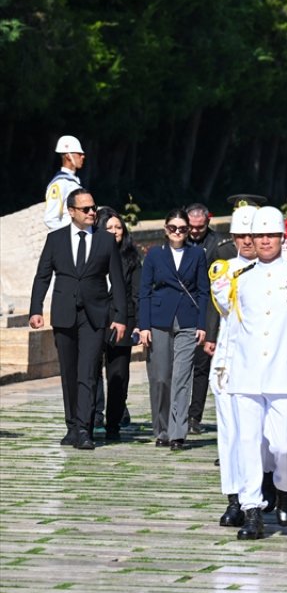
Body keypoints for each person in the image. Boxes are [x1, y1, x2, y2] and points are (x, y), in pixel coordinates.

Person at [224, 206, 287, 540]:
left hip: (285, 375)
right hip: (247, 375)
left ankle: (285, 487)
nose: (265, 241)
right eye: (260, 235)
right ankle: (252, 510)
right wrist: (226, 366)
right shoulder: (241, 279)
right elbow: (234, 330)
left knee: (284, 446)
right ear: (252, 239)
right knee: (248, 446)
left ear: (283, 238)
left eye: (271, 235)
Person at [137, 209, 210, 451]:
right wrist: (144, 326)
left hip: (188, 320)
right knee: (160, 378)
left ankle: (178, 433)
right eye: (173, 228)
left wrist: (202, 325)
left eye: (182, 229)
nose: (177, 233)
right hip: (159, 320)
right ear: (165, 229)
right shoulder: (154, 255)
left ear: (188, 230)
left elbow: (203, 291)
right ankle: (162, 429)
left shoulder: (197, 254)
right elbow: (144, 291)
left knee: (181, 377)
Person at [206, 205, 260, 527]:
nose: (247, 241)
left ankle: (268, 488)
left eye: (252, 235)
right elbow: (228, 304)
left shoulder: (280, 271)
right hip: (230, 362)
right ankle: (234, 498)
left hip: (264, 363)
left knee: (263, 437)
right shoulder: (224, 271)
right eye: (241, 235)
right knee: (230, 435)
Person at [186, 202, 235, 436]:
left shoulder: (220, 245)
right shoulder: (179, 239)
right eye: (191, 227)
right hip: (182, 309)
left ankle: (194, 415)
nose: (194, 231)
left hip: (206, 311)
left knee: (200, 367)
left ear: (208, 221)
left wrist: (212, 331)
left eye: (199, 227)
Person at [94, 207, 141, 441]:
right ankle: (94, 417)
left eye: (118, 227)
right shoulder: (91, 254)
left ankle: (114, 422)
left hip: (123, 320)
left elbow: (136, 293)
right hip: (94, 321)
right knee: (92, 370)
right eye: (109, 228)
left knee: (118, 374)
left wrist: (136, 323)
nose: (114, 231)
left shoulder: (131, 257)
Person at [42, 135, 85, 231]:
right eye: (79, 153)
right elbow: (50, 219)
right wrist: (67, 237)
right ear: (68, 155)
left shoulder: (73, 182)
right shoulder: (60, 183)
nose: (83, 156)